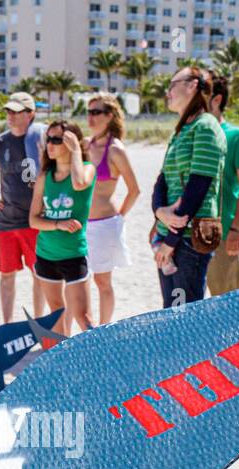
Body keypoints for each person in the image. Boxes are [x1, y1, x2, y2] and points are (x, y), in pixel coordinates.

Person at [150, 66, 226, 310]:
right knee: (170, 309)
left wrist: (171, 240)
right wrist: (159, 212)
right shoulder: (183, 129)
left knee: (184, 312)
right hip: (170, 234)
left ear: (193, 85)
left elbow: (198, 186)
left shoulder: (206, 126)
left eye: (173, 84)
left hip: (188, 238)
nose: (168, 91)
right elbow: (162, 179)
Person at [0, 91, 47, 323]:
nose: (10, 116)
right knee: (7, 275)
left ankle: (38, 322)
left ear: (30, 114)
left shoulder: (41, 141)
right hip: (6, 222)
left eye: (16, 112)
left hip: (35, 221)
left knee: (39, 274)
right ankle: (7, 324)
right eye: (8, 111)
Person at [29, 120, 96, 336]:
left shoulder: (87, 169)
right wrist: (58, 224)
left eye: (58, 140)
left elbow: (78, 184)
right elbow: (33, 220)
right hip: (46, 254)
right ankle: (64, 366)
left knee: (83, 317)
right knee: (57, 315)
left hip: (73, 254)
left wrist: (77, 149)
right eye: (49, 139)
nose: (51, 144)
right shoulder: (43, 177)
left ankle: (99, 361)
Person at [82, 93, 139, 327]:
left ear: (109, 116)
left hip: (105, 225)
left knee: (102, 281)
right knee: (80, 279)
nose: (90, 117)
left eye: (96, 112)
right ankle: (87, 326)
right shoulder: (85, 145)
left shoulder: (115, 150)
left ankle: (102, 329)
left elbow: (134, 189)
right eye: (88, 112)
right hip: (81, 225)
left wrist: (119, 218)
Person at [206, 72, 239, 297]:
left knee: (229, 304)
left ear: (216, 99)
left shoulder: (238, 136)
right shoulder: (189, 136)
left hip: (224, 234)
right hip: (190, 238)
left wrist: (236, 229)